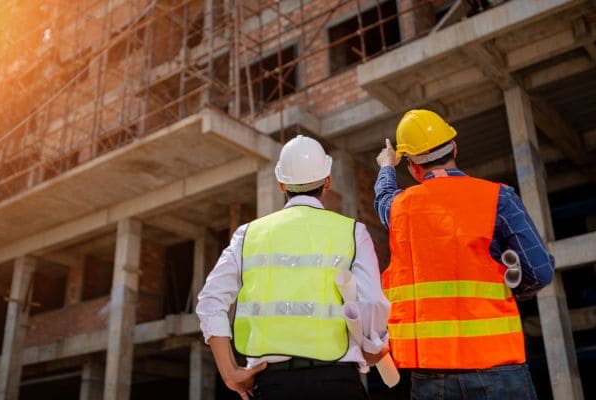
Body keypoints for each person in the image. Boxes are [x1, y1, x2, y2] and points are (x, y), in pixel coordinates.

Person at [374, 109, 554, 399]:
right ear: (454, 147)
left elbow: (383, 198)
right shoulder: (499, 197)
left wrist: (386, 166)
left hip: (432, 375)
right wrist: (510, 291)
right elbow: (540, 270)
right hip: (498, 365)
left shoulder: (399, 209)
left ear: (413, 168)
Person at [197, 135, 390, 400]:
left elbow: (210, 301)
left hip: (273, 384)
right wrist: (373, 345)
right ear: (328, 181)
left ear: (281, 184)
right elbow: (372, 301)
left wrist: (230, 372)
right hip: (338, 383)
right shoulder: (353, 232)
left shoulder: (249, 235)